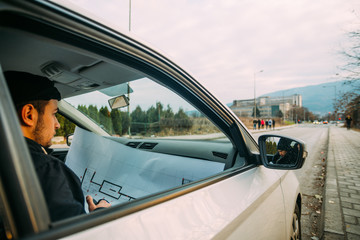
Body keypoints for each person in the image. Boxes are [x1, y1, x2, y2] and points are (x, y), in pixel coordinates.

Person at [5, 71, 111, 222]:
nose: (58, 124)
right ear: (29, 114)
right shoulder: (47, 171)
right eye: (54, 114)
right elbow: (78, 234)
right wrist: (101, 213)